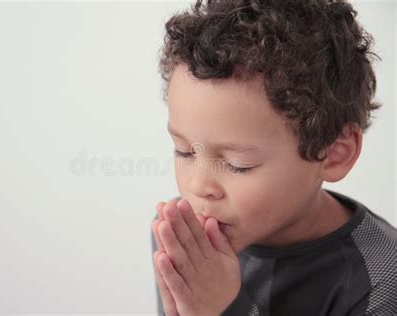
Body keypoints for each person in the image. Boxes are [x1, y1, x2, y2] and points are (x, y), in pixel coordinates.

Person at [150, 0, 397, 315]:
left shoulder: (382, 282)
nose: (199, 186)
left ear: (334, 153)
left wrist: (226, 309)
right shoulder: (182, 239)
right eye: (184, 151)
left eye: (238, 165)